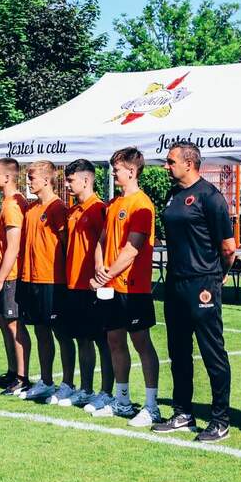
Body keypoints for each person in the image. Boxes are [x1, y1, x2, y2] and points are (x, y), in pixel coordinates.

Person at [151, 143, 236, 441]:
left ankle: (220, 420)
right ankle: (182, 413)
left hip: (203, 284)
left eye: (170, 161)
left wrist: (217, 276)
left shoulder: (210, 197)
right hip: (175, 284)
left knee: (212, 352)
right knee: (178, 352)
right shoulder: (173, 194)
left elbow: (228, 247)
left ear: (189, 163)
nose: (166, 166)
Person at [90, 146, 160, 419]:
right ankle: (122, 401)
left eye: (117, 169)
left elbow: (132, 249)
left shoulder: (141, 204)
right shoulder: (113, 204)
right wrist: (99, 266)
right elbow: (102, 239)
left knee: (141, 342)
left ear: (131, 171)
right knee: (114, 340)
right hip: (111, 287)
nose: (112, 173)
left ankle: (151, 406)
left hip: (134, 287)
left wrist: (105, 275)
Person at [53, 159, 115, 408]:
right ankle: (86, 389)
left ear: (86, 180)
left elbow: (107, 246)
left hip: (94, 286)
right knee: (82, 338)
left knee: (102, 340)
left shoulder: (99, 209)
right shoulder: (73, 211)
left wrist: (101, 279)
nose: (67, 185)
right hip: (74, 285)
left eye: (71, 180)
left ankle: (106, 391)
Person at [19, 161, 77, 402]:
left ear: (46, 180)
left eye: (32, 178)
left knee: (61, 333)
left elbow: (66, 244)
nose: (28, 182)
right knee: (40, 330)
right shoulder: (31, 209)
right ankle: (46, 381)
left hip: (53, 281)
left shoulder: (58, 207)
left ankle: (68, 383)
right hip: (30, 279)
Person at [0, 158, 32, 396]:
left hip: (11, 276)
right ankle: (12, 371)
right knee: (4, 321)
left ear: (7, 177)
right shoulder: (8, 202)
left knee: (14, 324)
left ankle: (22, 377)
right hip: (4, 274)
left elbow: (13, 247)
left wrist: (0, 279)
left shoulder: (13, 205)